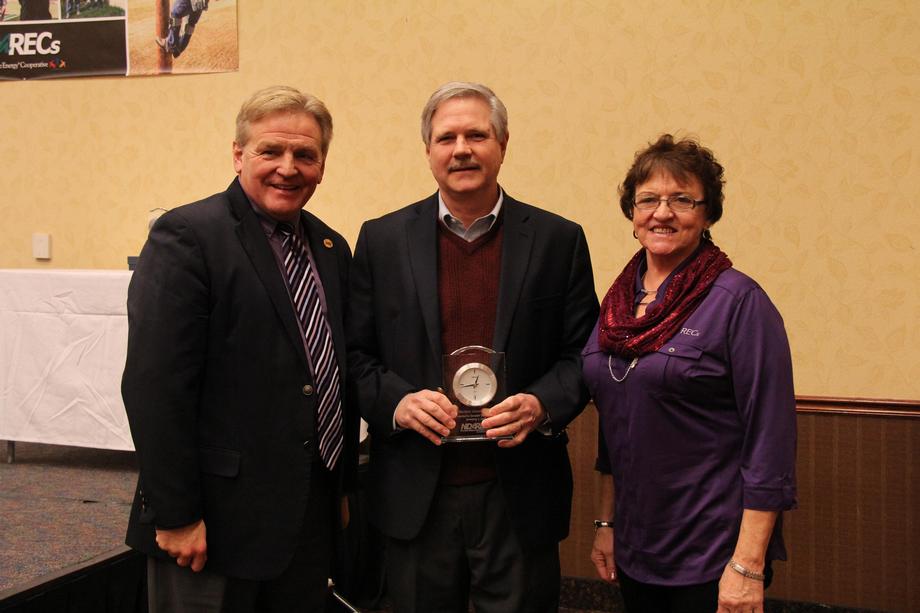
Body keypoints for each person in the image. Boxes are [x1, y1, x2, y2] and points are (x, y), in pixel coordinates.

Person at [347, 81, 599, 612]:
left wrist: (542, 404)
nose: (461, 148)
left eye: (476, 135)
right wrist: (397, 402)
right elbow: (354, 356)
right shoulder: (381, 240)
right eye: (446, 138)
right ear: (429, 151)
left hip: (519, 491)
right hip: (417, 492)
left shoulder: (558, 239)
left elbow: (584, 354)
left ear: (503, 144)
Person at [122, 85, 357, 612]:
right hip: (210, 527)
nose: (288, 168)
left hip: (304, 521)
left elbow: (330, 375)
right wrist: (176, 513)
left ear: (322, 165)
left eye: (305, 155)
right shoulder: (187, 237)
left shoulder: (331, 249)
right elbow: (154, 386)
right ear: (237, 155)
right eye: (270, 151)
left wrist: (338, 489)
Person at [583, 134, 797, 613]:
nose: (663, 212)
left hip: (712, 553)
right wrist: (606, 523)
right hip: (637, 545)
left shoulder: (739, 302)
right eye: (648, 200)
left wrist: (747, 565)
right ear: (632, 215)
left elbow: (771, 442)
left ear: (707, 214)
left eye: (682, 199)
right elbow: (616, 419)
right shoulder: (617, 305)